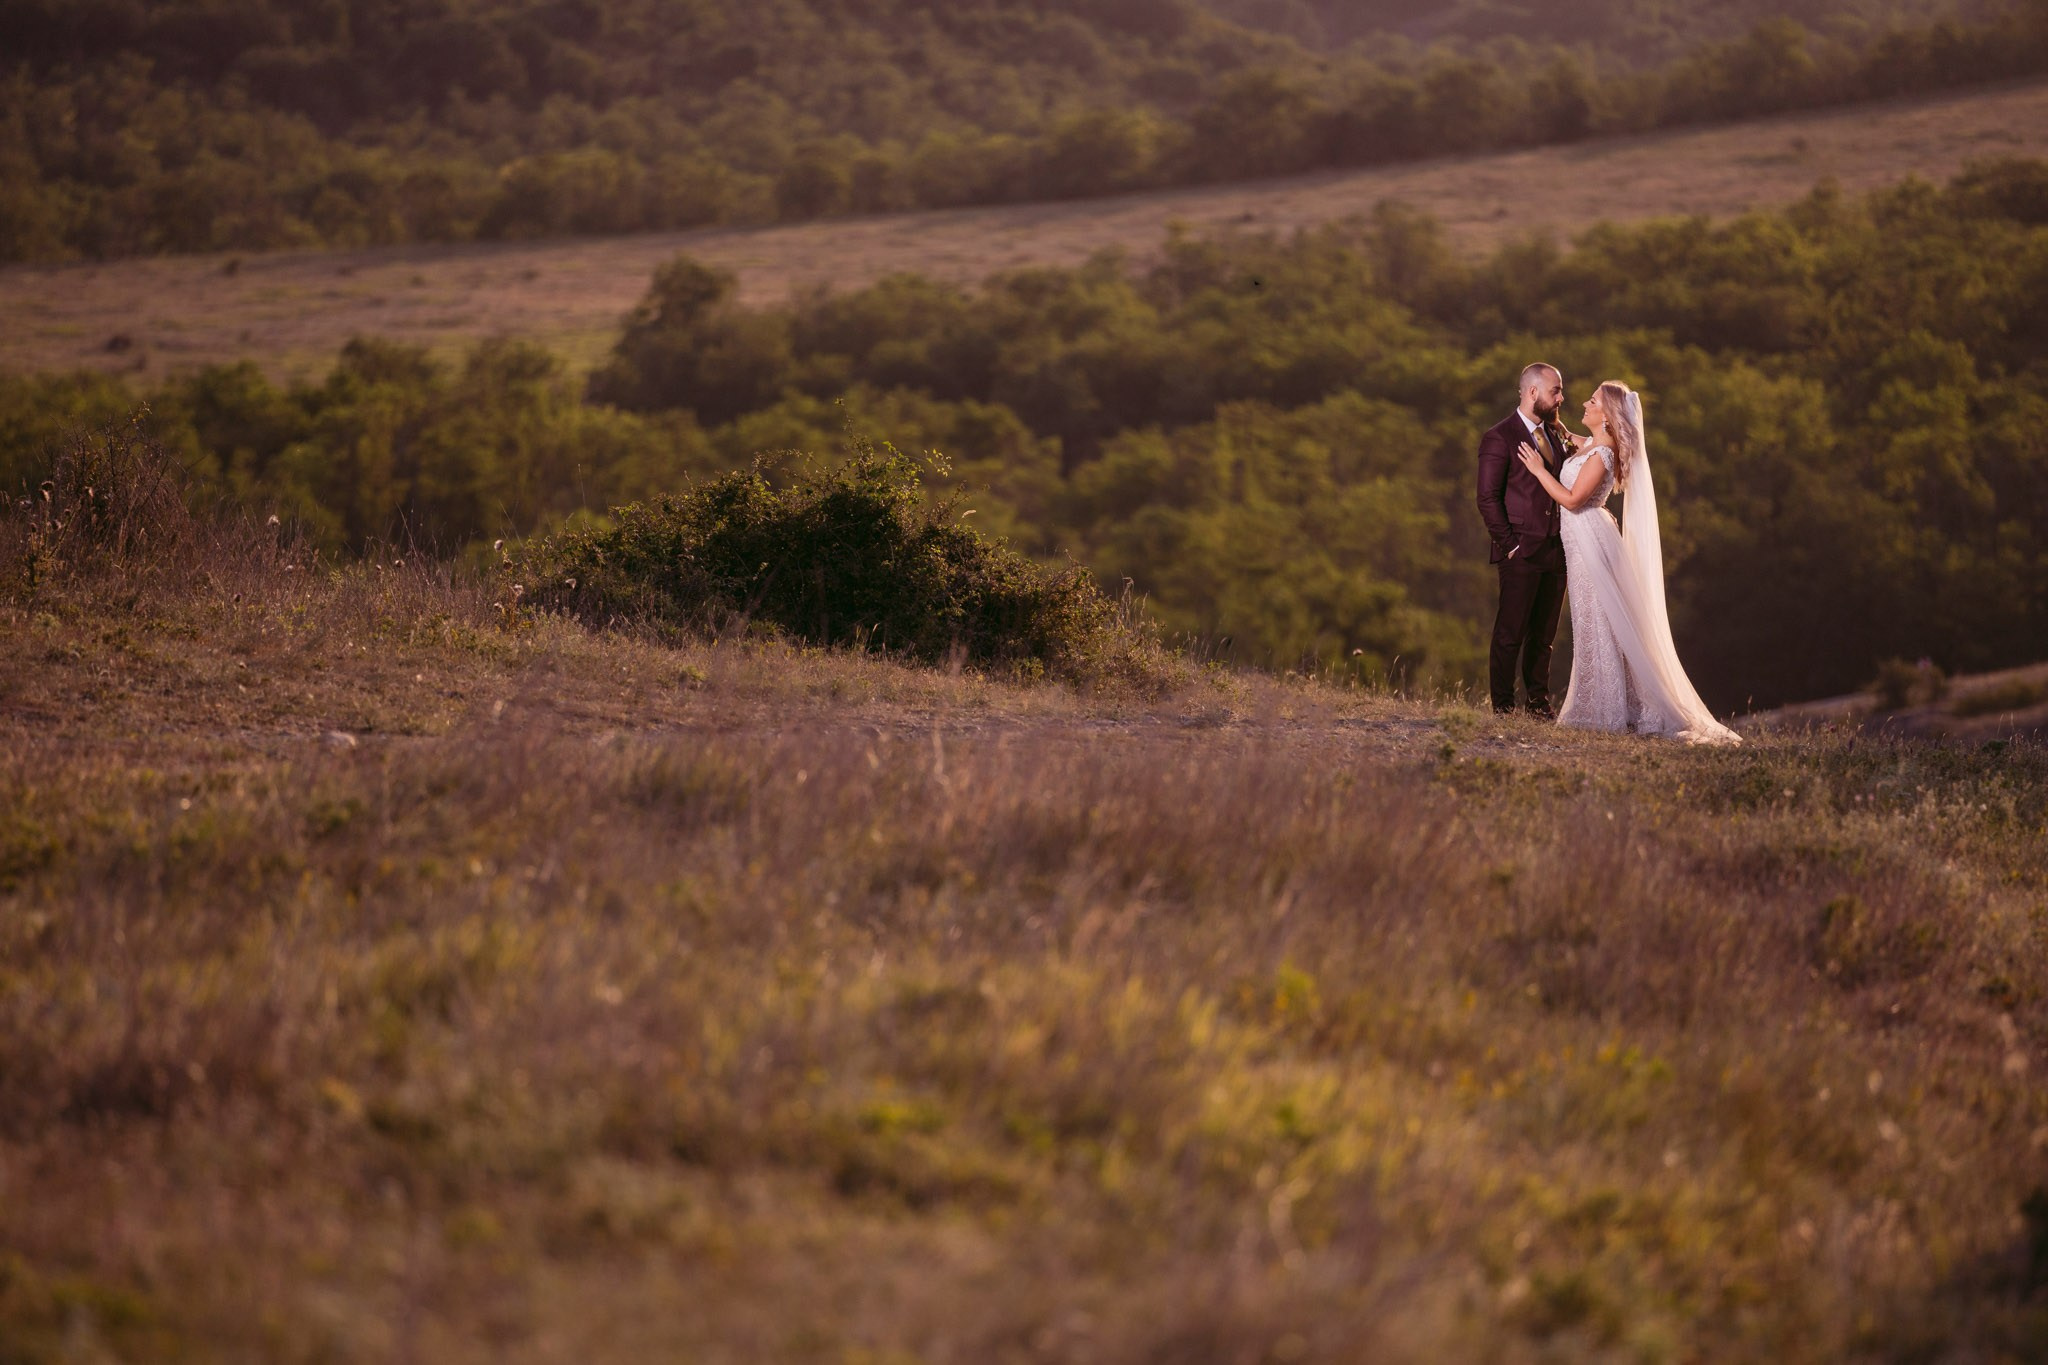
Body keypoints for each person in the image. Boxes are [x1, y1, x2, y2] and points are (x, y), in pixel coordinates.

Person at [1515, 381, 1741, 744]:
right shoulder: (1595, 444)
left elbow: (1572, 501)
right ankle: (1613, 704)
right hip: (1583, 540)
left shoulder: (1603, 454)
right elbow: (1575, 439)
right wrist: (1553, 422)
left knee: (1598, 619)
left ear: (1607, 416)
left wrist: (1539, 471)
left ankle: (1608, 710)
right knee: (1594, 620)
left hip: (1589, 540)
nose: (1584, 404)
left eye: (1593, 401)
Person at [1475, 362, 1574, 716]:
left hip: (1556, 550)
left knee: (1544, 636)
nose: (1561, 397)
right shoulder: (1499, 437)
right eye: (1556, 391)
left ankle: (1538, 704)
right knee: (1510, 632)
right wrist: (1510, 546)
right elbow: (1487, 498)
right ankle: (1503, 706)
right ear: (1533, 392)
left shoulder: (1554, 434)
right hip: (1520, 551)